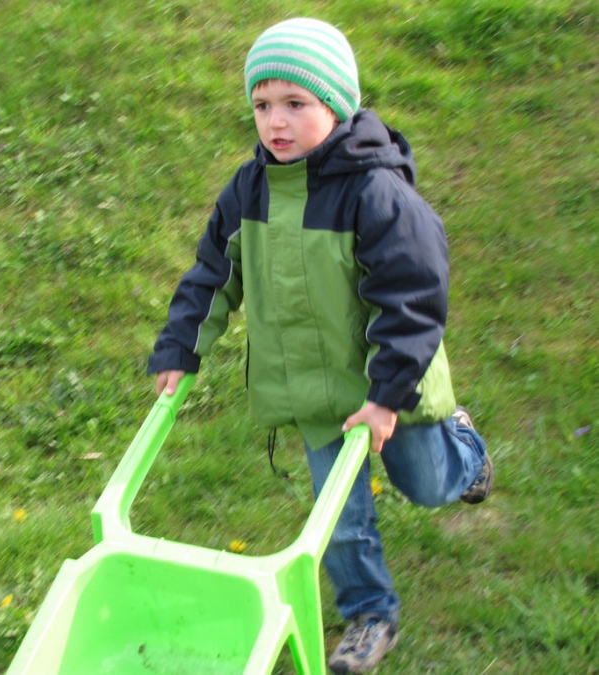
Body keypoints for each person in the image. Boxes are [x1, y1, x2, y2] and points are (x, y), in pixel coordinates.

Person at [147, 17, 493, 674]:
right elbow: (213, 274)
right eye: (262, 104)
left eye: (295, 104)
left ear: (338, 104)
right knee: (339, 517)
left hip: (387, 383)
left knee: (426, 483)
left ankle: (465, 453)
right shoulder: (249, 189)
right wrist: (179, 347)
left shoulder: (376, 193)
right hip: (312, 390)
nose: (275, 121)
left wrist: (388, 395)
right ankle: (370, 612)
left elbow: (413, 299)